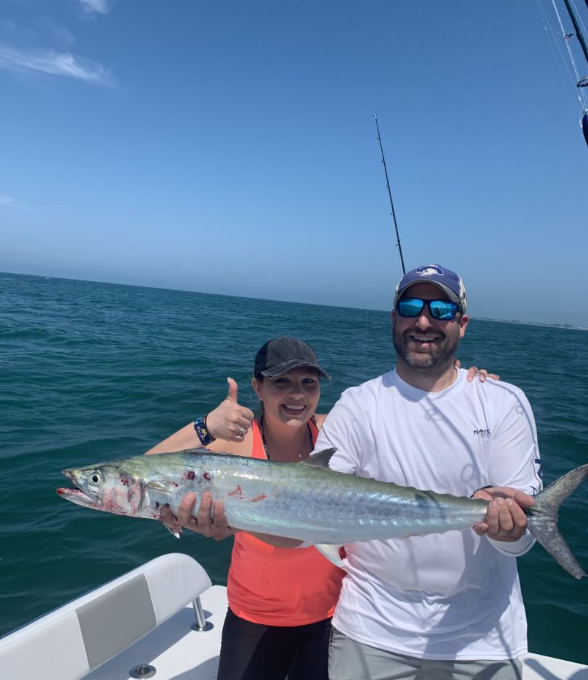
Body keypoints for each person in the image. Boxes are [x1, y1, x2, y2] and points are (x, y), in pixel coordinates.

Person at [146, 334, 496, 680]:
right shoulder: (234, 446)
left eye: (308, 383)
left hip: (331, 617)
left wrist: (462, 388)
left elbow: (410, 420)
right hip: (253, 616)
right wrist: (206, 426)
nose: (297, 394)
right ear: (257, 387)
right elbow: (145, 474)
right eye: (281, 381)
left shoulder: (335, 432)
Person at [313, 264, 541, 680]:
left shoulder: (504, 403)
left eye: (441, 309)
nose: (424, 320)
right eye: (411, 305)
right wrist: (233, 513)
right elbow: (317, 506)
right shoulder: (356, 404)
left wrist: (509, 528)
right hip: (370, 630)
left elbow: (522, 538)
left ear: (462, 323)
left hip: (483, 639)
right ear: (394, 317)